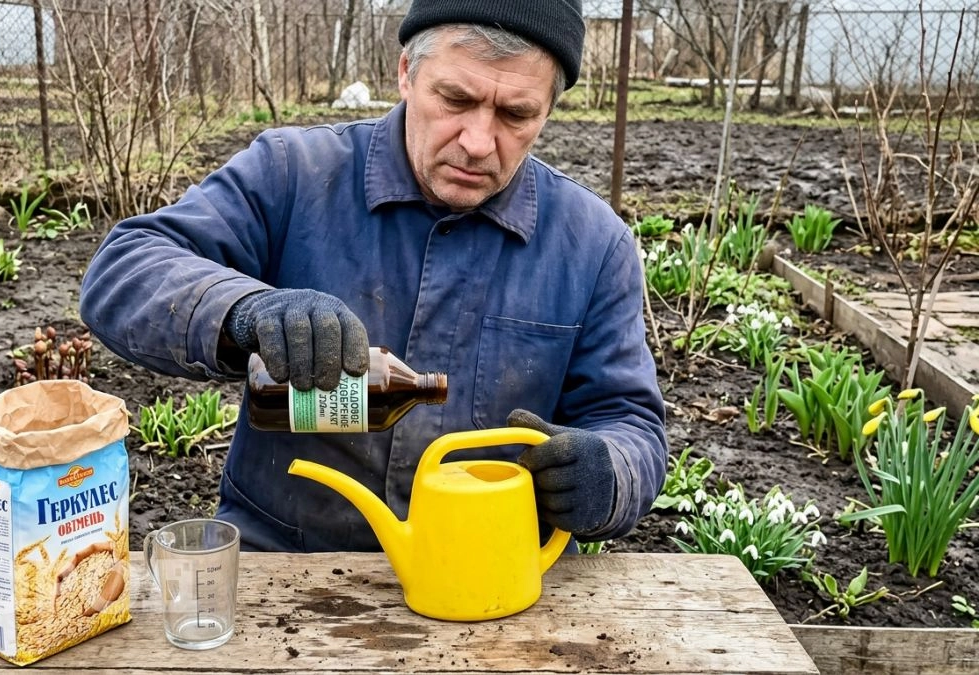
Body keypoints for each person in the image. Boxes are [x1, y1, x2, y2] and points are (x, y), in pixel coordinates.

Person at [80, 0, 668, 552]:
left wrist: (609, 473)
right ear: (406, 72)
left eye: (517, 114)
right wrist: (243, 310)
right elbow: (124, 267)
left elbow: (631, 424)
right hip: (284, 562)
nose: (477, 142)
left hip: (487, 573)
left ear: (548, 110)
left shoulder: (591, 243)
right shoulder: (294, 174)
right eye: (456, 99)